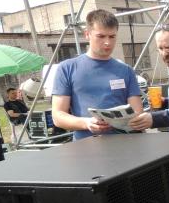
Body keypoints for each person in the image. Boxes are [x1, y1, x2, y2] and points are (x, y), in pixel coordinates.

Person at [52, 9, 143, 140]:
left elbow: (137, 113)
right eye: (101, 36)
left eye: (112, 37)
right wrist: (86, 123)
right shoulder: (67, 68)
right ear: (87, 34)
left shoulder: (126, 71)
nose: (107, 42)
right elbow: (58, 116)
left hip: (124, 144)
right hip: (86, 146)